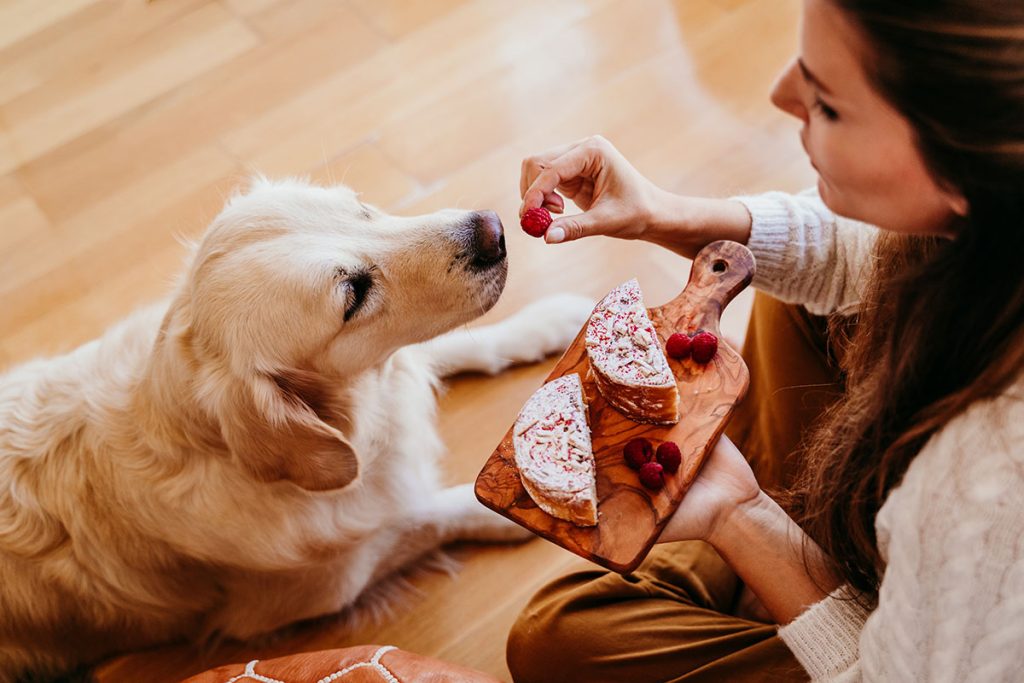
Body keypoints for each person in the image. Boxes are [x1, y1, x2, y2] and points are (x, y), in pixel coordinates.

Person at [506, 0, 1024, 680]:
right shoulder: (997, 203)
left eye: (829, 104)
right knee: (797, 302)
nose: (780, 95)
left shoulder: (987, 485)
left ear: (963, 170)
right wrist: (659, 212)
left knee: (556, 636)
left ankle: (772, 547)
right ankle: (790, 549)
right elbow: (866, 251)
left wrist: (740, 516)